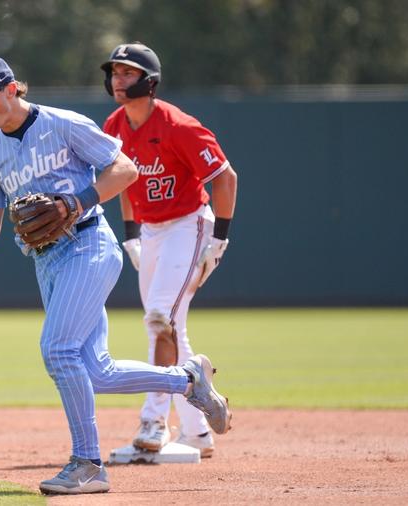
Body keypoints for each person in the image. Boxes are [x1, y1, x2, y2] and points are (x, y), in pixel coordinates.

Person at [0, 55, 231, 496]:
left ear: (11, 89)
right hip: (47, 262)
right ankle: (187, 380)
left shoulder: (62, 124)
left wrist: (74, 202)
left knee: (57, 348)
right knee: (98, 372)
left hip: (89, 243)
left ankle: (88, 464)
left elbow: (124, 169)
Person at [101, 43, 239, 458]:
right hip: (151, 230)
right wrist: (131, 235)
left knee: (159, 318)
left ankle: (154, 420)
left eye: (127, 73)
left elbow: (225, 177)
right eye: (115, 72)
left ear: (149, 81)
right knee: (171, 327)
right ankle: (197, 430)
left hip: (189, 225)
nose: (118, 80)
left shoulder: (177, 125)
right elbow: (120, 179)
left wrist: (219, 240)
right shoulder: (114, 124)